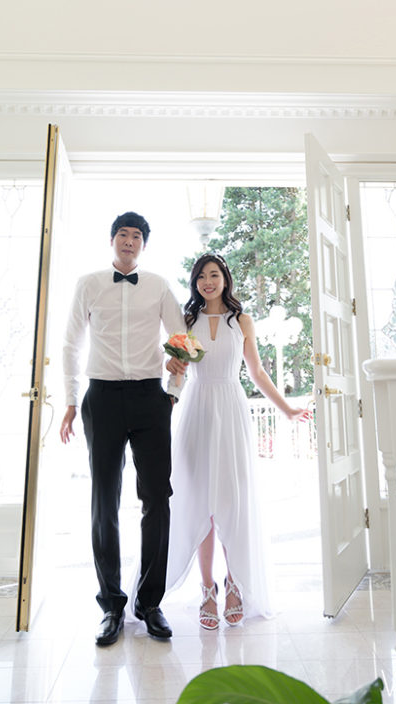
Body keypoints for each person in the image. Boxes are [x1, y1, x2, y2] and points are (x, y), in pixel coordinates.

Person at [165, 252, 309, 629]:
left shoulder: (241, 320)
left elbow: (256, 371)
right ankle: (207, 589)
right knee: (200, 501)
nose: (207, 282)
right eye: (201, 276)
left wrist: (286, 409)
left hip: (231, 408)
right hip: (197, 410)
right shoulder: (187, 321)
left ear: (225, 279)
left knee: (232, 500)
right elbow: (178, 374)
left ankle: (234, 584)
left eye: (214, 275)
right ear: (195, 283)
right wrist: (166, 403)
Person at [60, 211, 184, 647]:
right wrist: (71, 400)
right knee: (104, 501)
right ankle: (111, 605)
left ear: (143, 245)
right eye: (123, 235)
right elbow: (71, 342)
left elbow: (183, 339)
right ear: (112, 240)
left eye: (136, 237)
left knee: (157, 498)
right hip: (103, 397)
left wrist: (172, 392)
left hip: (151, 398)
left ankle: (150, 603)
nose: (129, 241)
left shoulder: (158, 285)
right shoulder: (89, 283)